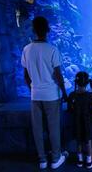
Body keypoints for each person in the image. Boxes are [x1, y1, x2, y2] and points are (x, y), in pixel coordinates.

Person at [21, 16, 68, 170]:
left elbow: (26, 75)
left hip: (35, 96)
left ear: (33, 30)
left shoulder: (26, 49)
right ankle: (55, 158)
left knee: (37, 128)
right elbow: (58, 76)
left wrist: (32, 89)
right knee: (53, 127)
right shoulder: (52, 50)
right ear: (48, 30)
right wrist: (64, 93)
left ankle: (42, 159)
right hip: (52, 96)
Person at [67, 71, 92, 169]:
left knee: (78, 140)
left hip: (76, 122)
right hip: (87, 123)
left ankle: (79, 160)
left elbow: (69, 110)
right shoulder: (90, 95)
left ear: (76, 81)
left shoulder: (72, 95)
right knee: (88, 141)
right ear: (88, 82)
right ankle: (88, 160)